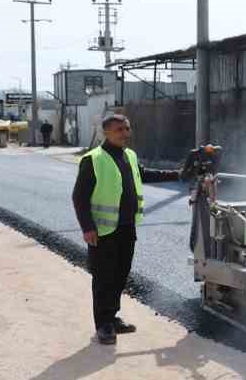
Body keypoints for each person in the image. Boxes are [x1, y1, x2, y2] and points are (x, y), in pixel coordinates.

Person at [71, 114, 182, 345]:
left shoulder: (129, 155)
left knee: (121, 273)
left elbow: (144, 174)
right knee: (104, 277)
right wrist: (88, 227)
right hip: (103, 230)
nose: (125, 133)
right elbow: (79, 197)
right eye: (119, 129)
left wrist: (179, 174)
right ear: (106, 132)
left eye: (127, 128)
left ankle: (112, 317)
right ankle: (103, 325)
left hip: (127, 226)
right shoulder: (93, 159)